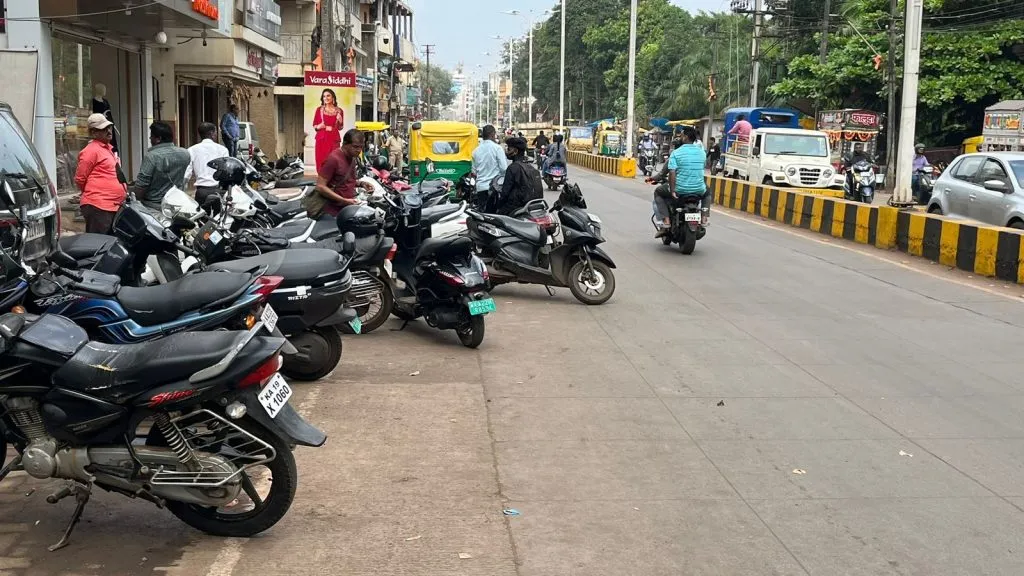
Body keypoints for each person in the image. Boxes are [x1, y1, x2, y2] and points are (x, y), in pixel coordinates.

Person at [74, 113, 125, 233]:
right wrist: (95, 193)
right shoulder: (91, 151)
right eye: (103, 129)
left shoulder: (108, 149)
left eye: (109, 128)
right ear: (93, 133)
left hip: (114, 205)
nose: (108, 131)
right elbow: (80, 179)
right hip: (99, 206)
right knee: (99, 244)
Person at [658, 128, 710, 236]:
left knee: (658, 192)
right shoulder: (702, 153)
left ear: (685, 137)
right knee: (708, 192)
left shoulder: (676, 153)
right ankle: (704, 217)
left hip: (680, 189)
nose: (680, 137)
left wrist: (673, 191)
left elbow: (672, 172)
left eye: (681, 135)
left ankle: (666, 221)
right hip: (699, 189)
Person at [313, 129, 376, 219]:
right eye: (355, 146)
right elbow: (320, 186)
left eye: (361, 147)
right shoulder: (333, 159)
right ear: (345, 144)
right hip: (332, 212)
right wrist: (343, 200)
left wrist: (362, 184)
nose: (358, 150)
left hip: (346, 209)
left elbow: (346, 180)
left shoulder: (352, 158)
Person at [133, 121, 191, 211]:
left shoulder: (152, 156)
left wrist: (135, 200)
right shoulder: (185, 153)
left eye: (151, 137)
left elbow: (142, 185)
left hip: (154, 204)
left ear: (158, 139)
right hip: (177, 202)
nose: (150, 139)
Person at [490, 137, 542, 216]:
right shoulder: (530, 166)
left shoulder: (513, 168)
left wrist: (498, 205)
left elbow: (505, 193)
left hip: (515, 207)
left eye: (509, 149)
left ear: (515, 151)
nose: (507, 151)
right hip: (530, 205)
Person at [184, 122, 230, 209]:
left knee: (202, 220)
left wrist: (183, 191)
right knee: (219, 220)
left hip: (202, 192)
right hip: (219, 191)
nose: (217, 134)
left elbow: (186, 175)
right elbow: (226, 171)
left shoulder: (191, 150)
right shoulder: (223, 150)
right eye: (216, 132)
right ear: (212, 133)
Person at [472, 124, 508, 207]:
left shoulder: (475, 151)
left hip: (480, 188)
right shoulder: (497, 148)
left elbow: (474, 171)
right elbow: (504, 168)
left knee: (483, 215)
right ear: (492, 135)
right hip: (495, 188)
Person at [313, 88, 343, 171]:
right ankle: (322, 179)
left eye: (328, 96)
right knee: (321, 160)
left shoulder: (339, 111)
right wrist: (319, 126)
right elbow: (315, 125)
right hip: (322, 139)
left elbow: (340, 127)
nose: (326, 98)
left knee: (334, 160)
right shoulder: (319, 110)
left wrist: (340, 121)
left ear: (333, 97)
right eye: (324, 96)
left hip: (334, 139)